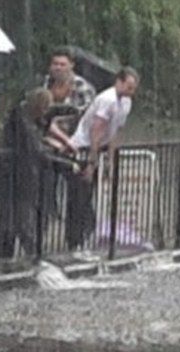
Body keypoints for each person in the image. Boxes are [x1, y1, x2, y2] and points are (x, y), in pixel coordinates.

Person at [0, 88, 77, 258]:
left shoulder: (29, 113)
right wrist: (69, 165)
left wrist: (72, 110)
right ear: (37, 107)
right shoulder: (23, 120)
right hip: (11, 175)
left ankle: (5, 249)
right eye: (44, 109)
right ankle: (28, 255)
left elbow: (50, 116)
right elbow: (37, 150)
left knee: (13, 217)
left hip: (21, 175)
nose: (45, 113)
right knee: (17, 218)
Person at [65, 66, 139, 253]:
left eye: (134, 88)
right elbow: (96, 131)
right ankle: (75, 240)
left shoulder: (126, 103)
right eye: (129, 86)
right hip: (84, 147)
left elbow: (115, 132)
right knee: (80, 196)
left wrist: (111, 161)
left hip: (101, 147)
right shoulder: (107, 100)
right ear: (119, 82)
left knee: (89, 195)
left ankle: (86, 237)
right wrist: (92, 161)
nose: (131, 91)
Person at [44, 47, 97, 112]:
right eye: (55, 64)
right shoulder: (46, 82)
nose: (58, 68)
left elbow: (88, 114)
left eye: (62, 65)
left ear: (72, 65)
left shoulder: (83, 87)